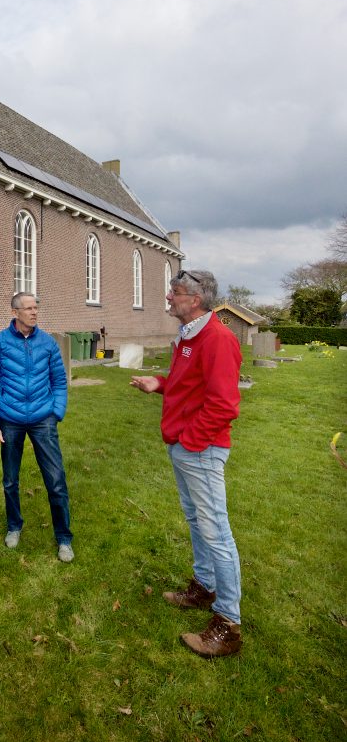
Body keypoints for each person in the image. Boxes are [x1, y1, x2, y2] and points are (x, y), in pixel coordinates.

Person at [130, 268, 243, 657]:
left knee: (216, 532)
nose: (167, 298)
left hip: (201, 448)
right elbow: (188, 385)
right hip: (184, 444)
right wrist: (159, 383)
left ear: (195, 300)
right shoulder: (188, 337)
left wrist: (192, 442)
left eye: (174, 292)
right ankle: (203, 586)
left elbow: (224, 405)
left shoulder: (217, 339)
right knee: (197, 520)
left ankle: (227, 623)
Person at [0, 292, 73, 562]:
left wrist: (56, 412)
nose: (34, 312)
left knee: (55, 480)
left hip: (43, 418)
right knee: (10, 480)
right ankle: (14, 526)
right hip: (9, 419)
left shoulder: (47, 343)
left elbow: (59, 380)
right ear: (15, 312)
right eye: (28, 308)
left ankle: (64, 538)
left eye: (36, 307)